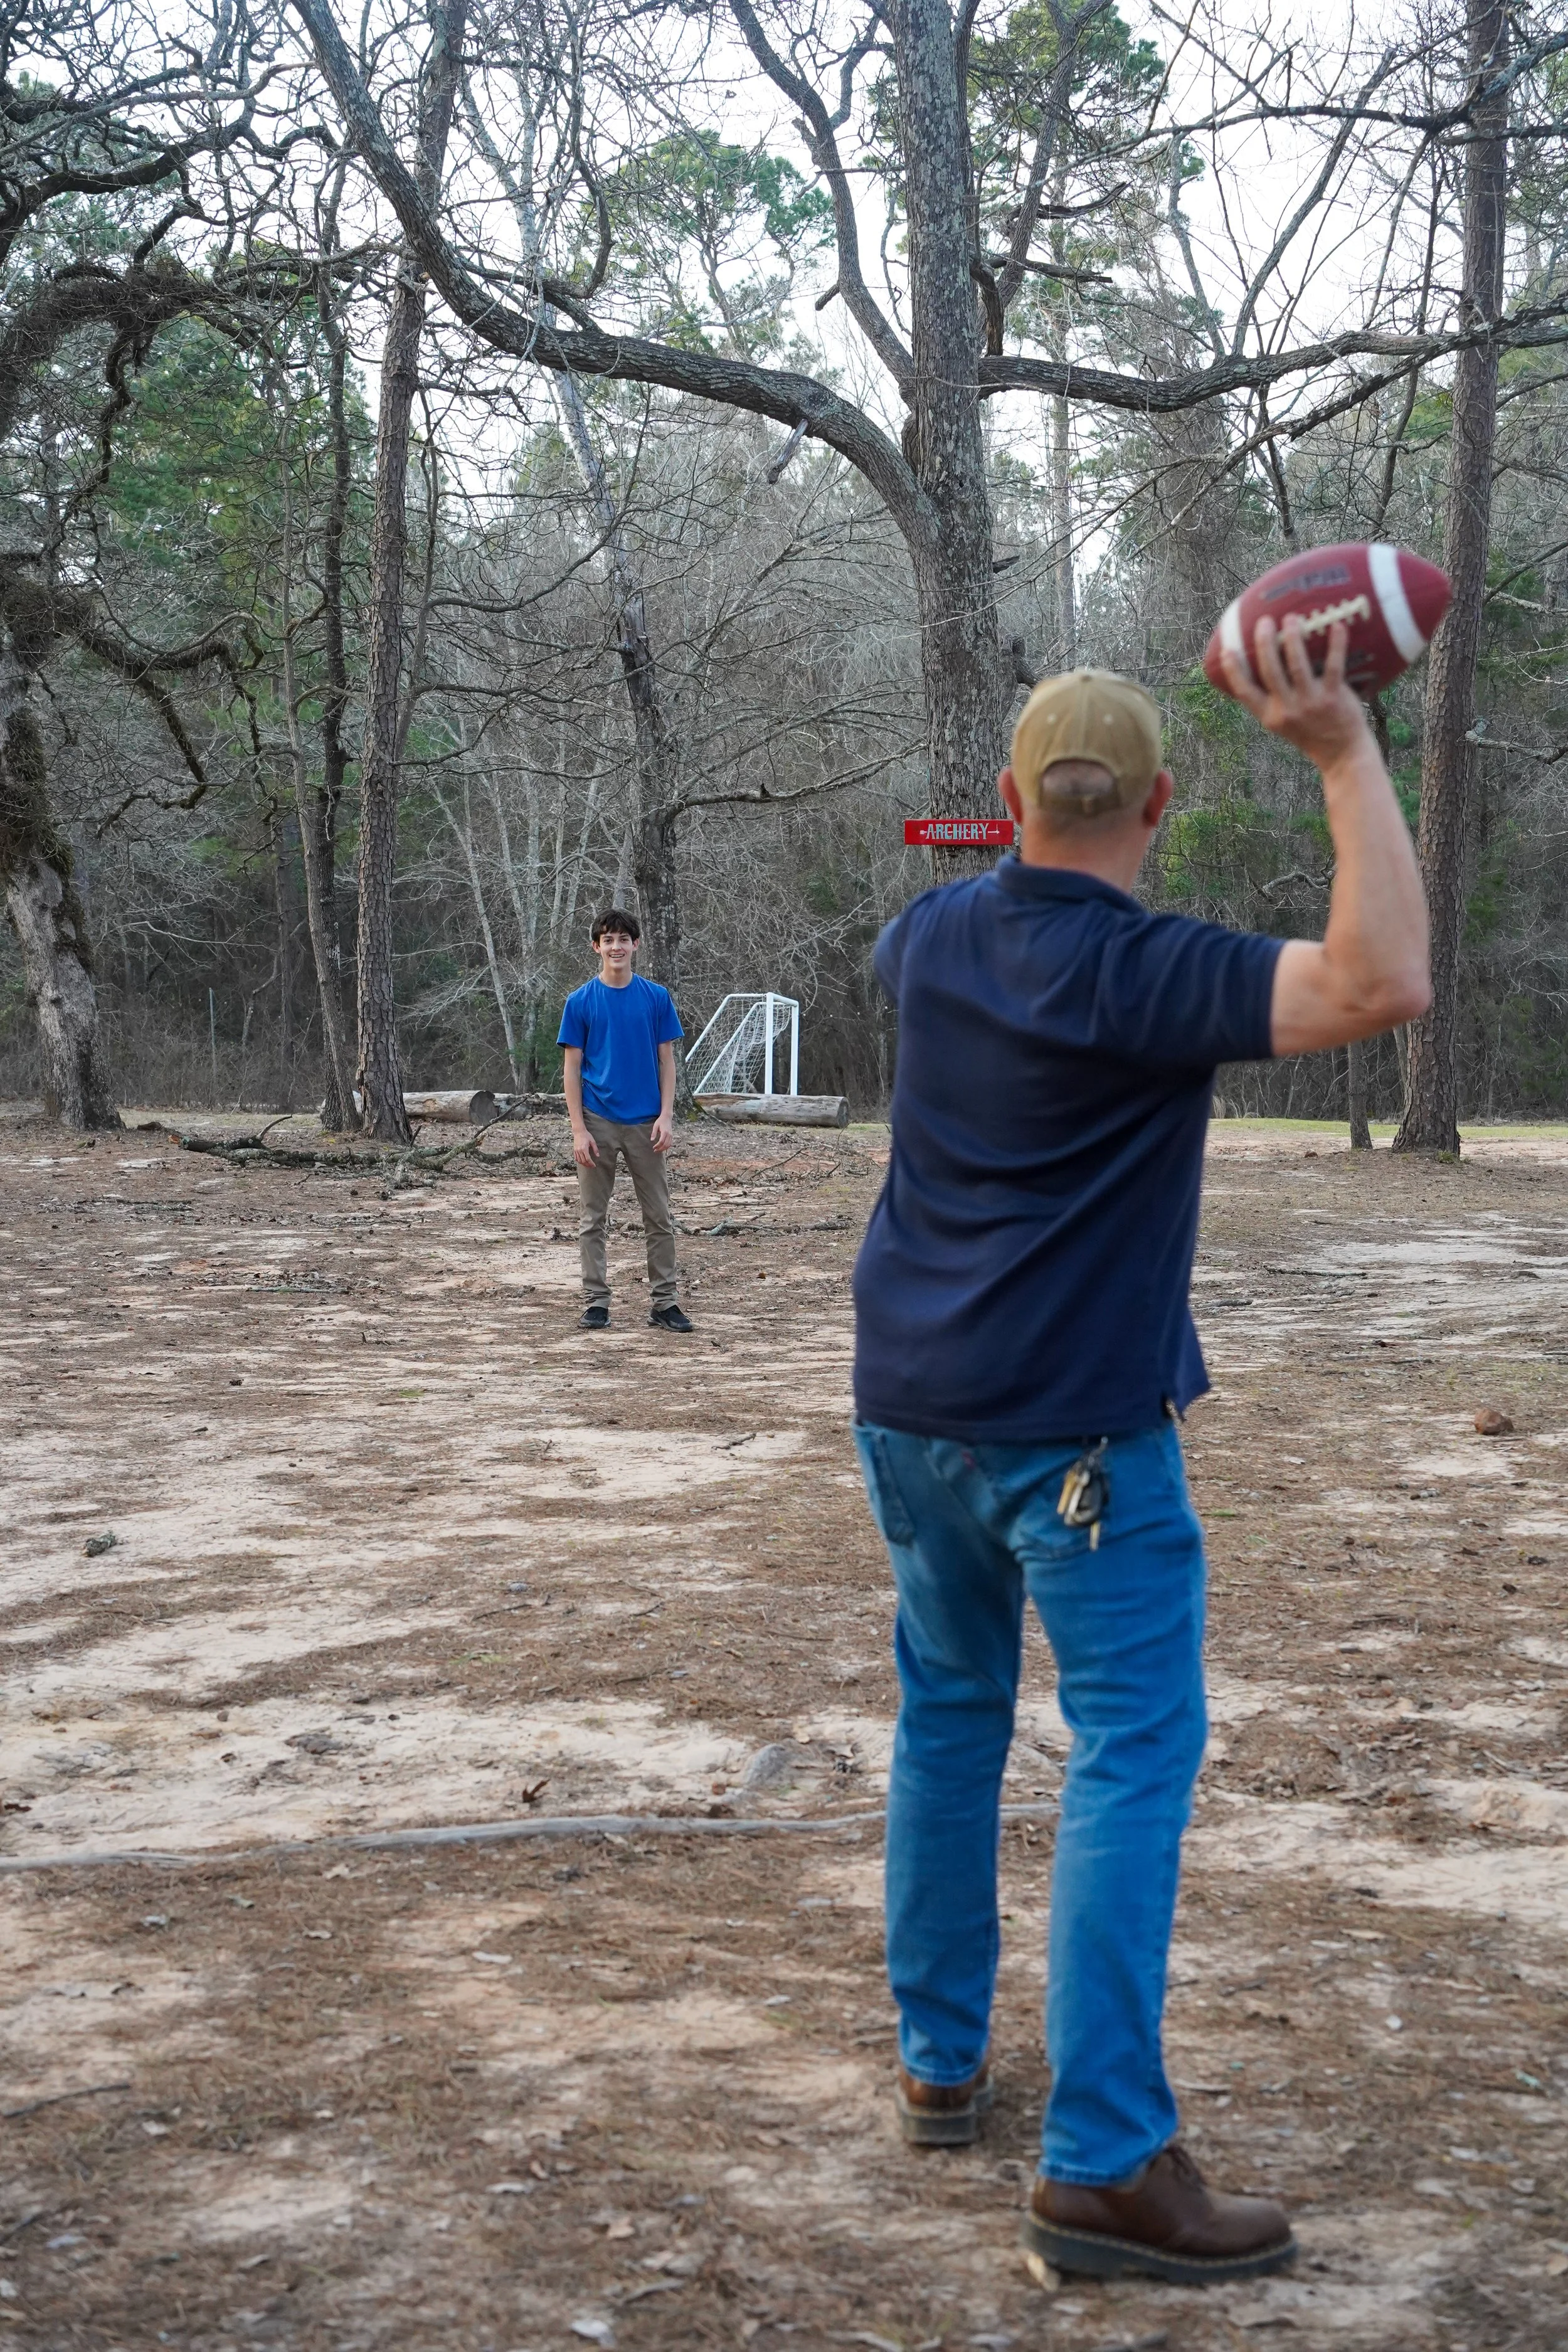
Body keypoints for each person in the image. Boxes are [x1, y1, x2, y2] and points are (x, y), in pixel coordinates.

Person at [851, 620, 1429, 2284]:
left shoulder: (924, 939)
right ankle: (1102, 2158)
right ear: (1160, 801)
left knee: (948, 1716)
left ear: (1007, 798)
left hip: (907, 1408)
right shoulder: (1147, 973)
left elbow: (984, 888)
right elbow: (1377, 976)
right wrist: (1337, 751)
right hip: (1073, 1437)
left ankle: (938, 2056)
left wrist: (1015, 835)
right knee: (1126, 1750)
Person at [558, 908, 693, 1333]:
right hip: (597, 1122)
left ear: (636, 945)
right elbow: (572, 1069)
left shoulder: (656, 997)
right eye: (608, 939)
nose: (616, 947)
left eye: (623, 939)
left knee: (659, 1217)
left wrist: (667, 1117)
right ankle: (596, 1303)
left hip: (647, 1124)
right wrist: (579, 1129)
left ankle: (665, 1304)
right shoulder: (580, 1002)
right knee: (592, 1218)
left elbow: (668, 1062)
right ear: (596, 947)